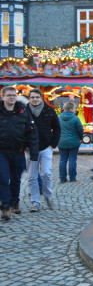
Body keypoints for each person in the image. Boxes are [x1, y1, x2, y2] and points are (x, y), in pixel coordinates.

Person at [0, 87, 38, 219]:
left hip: (18, 151)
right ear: (3, 96)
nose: (12, 97)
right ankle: (5, 206)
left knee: (16, 180)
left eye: (13, 95)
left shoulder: (23, 112)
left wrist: (33, 151)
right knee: (3, 179)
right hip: (2, 152)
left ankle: (14, 202)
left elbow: (31, 132)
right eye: (9, 95)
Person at [26, 88, 60, 212]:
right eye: (32, 97)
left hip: (46, 147)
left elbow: (57, 128)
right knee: (32, 176)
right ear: (29, 98)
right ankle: (35, 201)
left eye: (37, 97)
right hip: (30, 148)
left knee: (46, 173)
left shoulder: (49, 110)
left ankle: (48, 195)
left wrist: (53, 144)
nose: (35, 99)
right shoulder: (24, 111)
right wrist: (24, 145)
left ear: (41, 98)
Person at [57, 101, 83, 184]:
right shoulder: (75, 118)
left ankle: (62, 178)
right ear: (71, 109)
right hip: (74, 141)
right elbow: (80, 130)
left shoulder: (59, 117)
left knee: (62, 160)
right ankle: (72, 177)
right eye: (74, 108)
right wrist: (80, 138)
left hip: (62, 141)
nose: (75, 109)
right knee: (72, 160)